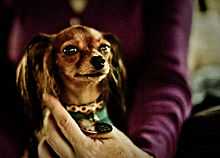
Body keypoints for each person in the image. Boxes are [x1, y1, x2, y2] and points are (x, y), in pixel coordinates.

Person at [0, 0, 192, 158]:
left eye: (104, 49)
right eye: (71, 50)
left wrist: (144, 151)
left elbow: (165, 78)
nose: (97, 58)